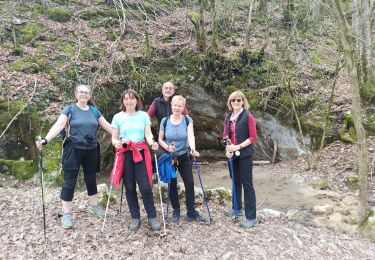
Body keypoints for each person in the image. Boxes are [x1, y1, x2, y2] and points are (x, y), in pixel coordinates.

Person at [35, 84, 113, 229]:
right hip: (73, 149)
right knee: (70, 181)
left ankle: (94, 206)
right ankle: (66, 214)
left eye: (87, 92)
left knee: (91, 178)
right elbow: (58, 126)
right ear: (76, 94)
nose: (84, 94)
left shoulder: (95, 111)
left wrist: (122, 135)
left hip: (91, 149)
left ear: (90, 95)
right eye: (81, 92)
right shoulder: (70, 109)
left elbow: (108, 127)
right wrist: (45, 140)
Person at [111, 89, 161, 232]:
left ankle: (152, 216)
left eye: (132, 98)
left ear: (136, 100)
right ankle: (135, 217)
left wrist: (152, 143)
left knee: (145, 186)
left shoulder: (144, 115)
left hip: (140, 153)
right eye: (126, 99)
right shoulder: (117, 117)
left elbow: (148, 134)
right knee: (130, 187)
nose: (129, 101)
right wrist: (116, 143)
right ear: (123, 101)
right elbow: (114, 137)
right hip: (125, 154)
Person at [158, 95, 206, 223]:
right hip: (170, 157)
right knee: (172, 183)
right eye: (175, 105)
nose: (177, 108)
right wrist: (167, 147)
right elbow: (160, 139)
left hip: (184, 156)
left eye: (180, 106)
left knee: (189, 183)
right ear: (171, 105)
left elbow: (191, 136)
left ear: (183, 107)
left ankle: (191, 211)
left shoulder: (187, 119)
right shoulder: (165, 121)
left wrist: (193, 149)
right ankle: (176, 210)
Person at [223, 90, 257, 228]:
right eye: (233, 100)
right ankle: (237, 208)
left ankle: (251, 217)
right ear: (230, 103)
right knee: (235, 182)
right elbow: (225, 136)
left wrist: (237, 147)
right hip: (232, 155)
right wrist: (227, 149)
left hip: (245, 155)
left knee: (247, 185)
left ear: (243, 101)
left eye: (238, 100)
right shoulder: (227, 117)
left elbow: (253, 137)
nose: (236, 102)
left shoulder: (248, 116)